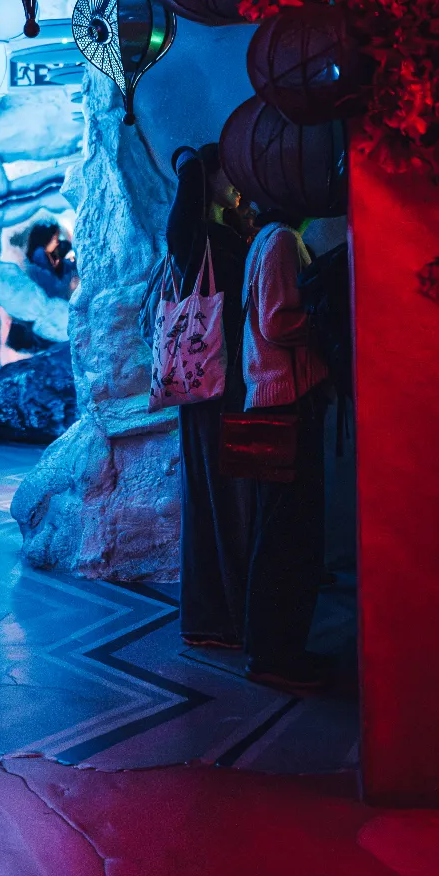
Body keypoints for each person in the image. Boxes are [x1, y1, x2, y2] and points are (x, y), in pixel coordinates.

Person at [166, 143, 256, 651]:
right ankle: (222, 610)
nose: (239, 181)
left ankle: (216, 611)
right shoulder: (197, 235)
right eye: (230, 171)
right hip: (215, 379)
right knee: (221, 492)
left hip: (208, 377)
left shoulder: (213, 233)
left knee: (213, 492)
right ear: (208, 178)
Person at [241, 206, 332, 693]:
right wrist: (326, 323)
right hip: (285, 404)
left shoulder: (266, 240)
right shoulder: (279, 241)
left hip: (275, 403)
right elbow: (278, 322)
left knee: (280, 535)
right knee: (286, 539)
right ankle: (274, 656)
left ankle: (278, 650)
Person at [26, 222, 78, 300]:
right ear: (45, 238)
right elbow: (52, 286)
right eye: (55, 238)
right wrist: (69, 285)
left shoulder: (49, 253)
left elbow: (63, 265)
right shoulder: (39, 254)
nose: (57, 242)